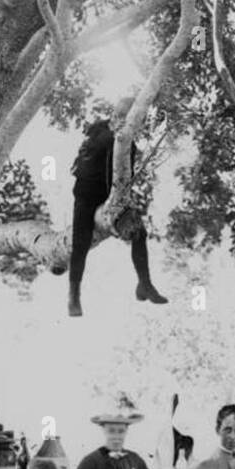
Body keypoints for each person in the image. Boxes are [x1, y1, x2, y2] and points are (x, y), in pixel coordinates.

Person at [66, 102, 168, 317]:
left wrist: (122, 201)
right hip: (86, 196)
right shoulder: (99, 132)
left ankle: (145, 284)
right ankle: (73, 295)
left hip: (110, 198)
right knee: (80, 242)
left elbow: (125, 178)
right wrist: (116, 136)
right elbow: (86, 163)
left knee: (138, 232)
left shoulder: (129, 144)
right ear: (114, 116)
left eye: (133, 121)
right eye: (121, 117)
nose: (126, 123)